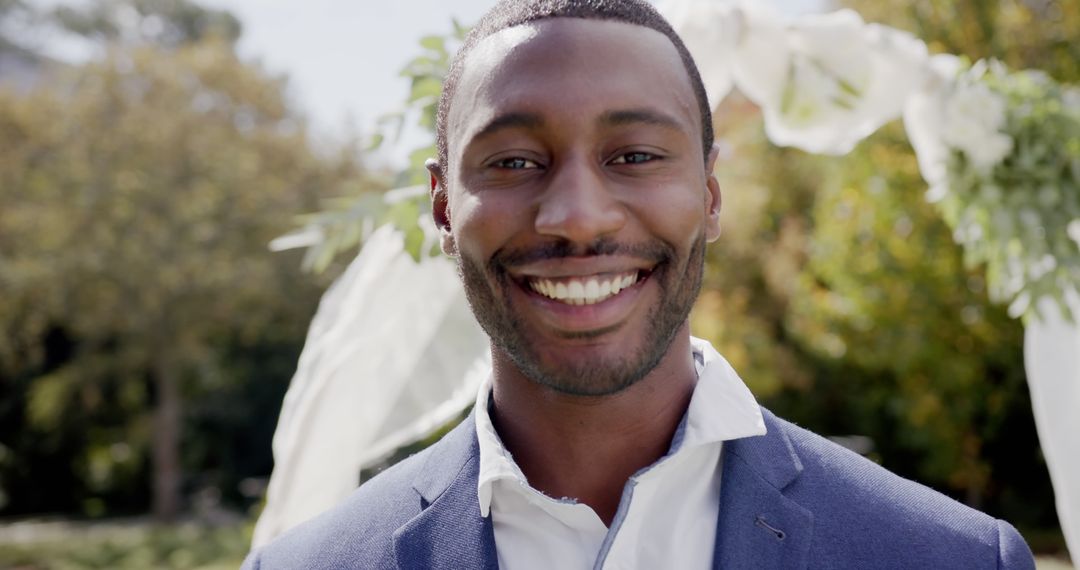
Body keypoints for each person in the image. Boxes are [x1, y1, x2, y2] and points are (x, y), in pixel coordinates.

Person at [242, 0, 1036, 568]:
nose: (578, 218)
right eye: (515, 161)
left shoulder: (953, 557)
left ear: (712, 196)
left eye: (635, 156)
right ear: (445, 209)